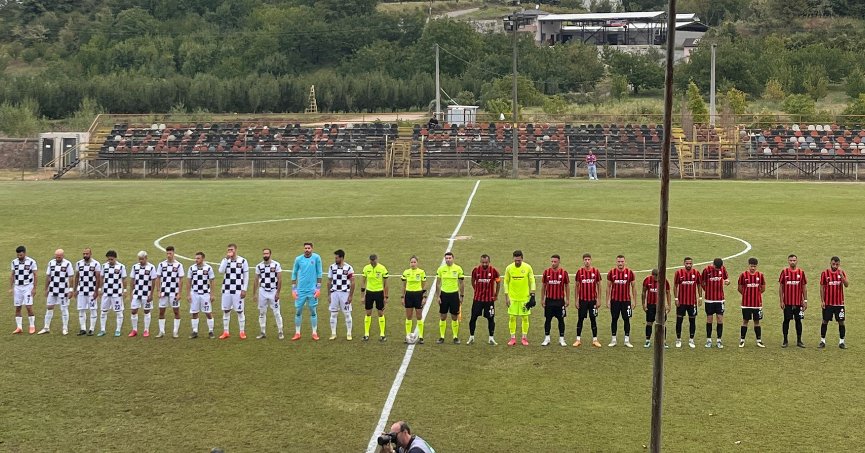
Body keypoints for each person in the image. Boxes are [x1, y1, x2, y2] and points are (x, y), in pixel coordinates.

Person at [291, 242, 323, 341]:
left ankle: (314, 333)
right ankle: (297, 333)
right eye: (305, 248)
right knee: (298, 311)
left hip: (312, 290)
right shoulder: (298, 259)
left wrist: (318, 288)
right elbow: (294, 273)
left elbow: (319, 273)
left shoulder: (317, 258)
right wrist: (293, 289)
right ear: (303, 249)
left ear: (312, 249)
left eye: (309, 248)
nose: (307, 250)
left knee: (313, 311)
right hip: (300, 290)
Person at [503, 250, 535, 346]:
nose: (517, 262)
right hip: (512, 298)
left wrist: (532, 295)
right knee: (512, 318)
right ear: (513, 259)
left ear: (522, 259)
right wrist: (506, 296)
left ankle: (524, 338)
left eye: (519, 260)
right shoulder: (509, 268)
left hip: (524, 298)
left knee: (525, 318)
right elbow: (506, 282)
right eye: (516, 260)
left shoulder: (527, 267)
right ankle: (512, 338)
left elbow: (532, 280)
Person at [39, 249, 73, 335]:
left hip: (63, 290)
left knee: (64, 309)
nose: (57, 258)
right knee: (49, 307)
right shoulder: (51, 263)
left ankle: (65, 328)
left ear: (63, 256)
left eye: (59, 257)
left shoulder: (67, 264)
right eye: (56, 256)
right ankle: (46, 327)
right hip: (52, 290)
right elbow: (48, 276)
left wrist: (71, 290)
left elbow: (71, 277)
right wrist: (46, 289)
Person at [218, 243, 249, 340]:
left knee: (239, 311)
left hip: (238, 290)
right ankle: (226, 331)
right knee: (226, 310)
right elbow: (221, 271)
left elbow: (246, 276)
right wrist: (226, 259)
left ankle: (242, 332)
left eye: (231, 249)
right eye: (228, 250)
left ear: (236, 249)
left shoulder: (243, 261)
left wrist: (244, 289)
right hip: (226, 290)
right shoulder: (225, 260)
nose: (230, 251)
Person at [469, 254, 500, 346]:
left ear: (489, 262)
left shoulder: (494, 271)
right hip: (477, 299)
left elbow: (498, 283)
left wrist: (496, 294)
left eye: (486, 262)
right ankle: (471, 337)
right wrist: (476, 289)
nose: (484, 264)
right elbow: (472, 280)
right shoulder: (476, 270)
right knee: (473, 318)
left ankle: (491, 338)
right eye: (483, 262)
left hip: (489, 300)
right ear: (480, 261)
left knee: (491, 318)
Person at [435, 252, 465, 344]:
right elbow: (437, 283)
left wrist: (461, 295)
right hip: (444, 295)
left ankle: (455, 337)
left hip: (454, 295)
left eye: (449, 258)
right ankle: (442, 337)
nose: (448, 260)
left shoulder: (458, 269)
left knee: (454, 317)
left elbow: (461, 283)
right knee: (443, 316)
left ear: (453, 258)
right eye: (446, 258)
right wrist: (438, 296)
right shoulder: (441, 269)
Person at [154, 246, 184, 339]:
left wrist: (179, 293)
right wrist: (158, 290)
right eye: (167, 253)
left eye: (170, 253)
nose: (168, 255)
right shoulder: (161, 265)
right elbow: (158, 278)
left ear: (173, 253)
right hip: (164, 292)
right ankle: (161, 331)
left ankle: (175, 331)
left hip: (174, 292)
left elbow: (181, 280)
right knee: (161, 312)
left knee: (176, 311)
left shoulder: (178, 265)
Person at [607, 255, 636, 348]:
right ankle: (613, 339)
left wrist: (634, 300)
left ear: (625, 262)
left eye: (622, 261)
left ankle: (626, 340)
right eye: (619, 261)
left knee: (626, 320)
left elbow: (633, 287)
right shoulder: (611, 272)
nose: (620, 263)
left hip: (626, 301)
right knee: (614, 319)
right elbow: (608, 287)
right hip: (615, 301)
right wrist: (608, 300)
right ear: (616, 262)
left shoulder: (630, 273)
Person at [819, 256, 849, 349]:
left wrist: (842, 276)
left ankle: (841, 342)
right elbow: (822, 287)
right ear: (830, 263)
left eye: (837, 264)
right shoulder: (825, 273)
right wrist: (822, 300)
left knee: (841, 322)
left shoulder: (841, 273)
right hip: (828, 303)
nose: (835, 266)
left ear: (839, 264)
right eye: (833, 264)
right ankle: (822, 341)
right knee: (825, 321)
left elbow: (846, 285)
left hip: (839, 303)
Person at [254, 248, 284, 340]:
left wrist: (278, 293)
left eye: (267, 253)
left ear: (270, 254)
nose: (265, 255)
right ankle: (262, 332)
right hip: (262, 291)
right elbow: (256, 280)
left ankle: (280, 331)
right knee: (262, 313)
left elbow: (279, 280)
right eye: (264, 253)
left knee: (276, 312)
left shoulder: (276, 265)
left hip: (273, 291)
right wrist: (254, 293)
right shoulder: (259, 266)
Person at [673, 257, 702, 348]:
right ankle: (678, 339)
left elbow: (699, 285)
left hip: (692, 302)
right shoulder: (679, 273)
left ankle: (691, 340)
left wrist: (700, 297)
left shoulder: (696, 273)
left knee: (692, 321)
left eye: (690, 263)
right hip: (681, 302)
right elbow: (675, 285)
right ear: (684, 263)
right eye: (687, 263)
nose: (689, 265)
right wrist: (676, 298)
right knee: (679, 320)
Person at [574, 253, 602, 348]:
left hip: (593, 301)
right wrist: (576, 300)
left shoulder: (596, 271)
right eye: (585, 259)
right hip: (582, 300)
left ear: (591, 260)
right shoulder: (579, 272)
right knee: (580, 319)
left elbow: (599, 285)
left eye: (588, 259)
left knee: (593, 319)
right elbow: (577, 286)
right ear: (583, 260)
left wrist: (598, 299)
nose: (587, 261)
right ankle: (578, 339)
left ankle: (595, 339)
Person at [779, 254, 807, 348]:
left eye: (794, 260)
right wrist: (781, 301)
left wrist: (805, 300)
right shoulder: (784, 272)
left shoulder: (801, 272)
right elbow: (781, 287)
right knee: (786, 320)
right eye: (791, 260)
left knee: (798, 321)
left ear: (797, 261)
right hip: (787, 302)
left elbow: (804, 287)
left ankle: (799, 340)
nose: (792, 262)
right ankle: (785, 340)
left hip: (798, 302)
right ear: (788, 261)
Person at [541, 254, 569, 347]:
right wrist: (542, 299)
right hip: (549, 301)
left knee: (561, 320)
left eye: (555, 262)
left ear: (559, 262)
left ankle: (561, 339)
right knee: (548, 320)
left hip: (560, 301)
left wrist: (567, 299)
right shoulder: (546, 272)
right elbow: (543, 286)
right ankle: (547, 338)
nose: (553, 263)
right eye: (552, 261)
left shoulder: (564, 272)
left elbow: (567, 286)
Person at [738, 257, 766, 348]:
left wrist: (756, 295)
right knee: (745, 321)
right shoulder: (743, 275)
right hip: (746, 304)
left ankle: (759, 340)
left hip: (757, 304)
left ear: (756, 266)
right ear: (748, 265)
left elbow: (763, 288)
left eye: (754, 266)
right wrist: (746, 295)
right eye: (751, 266)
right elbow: (740, 288)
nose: (753, 268)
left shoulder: (760, 275)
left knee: (757, 321)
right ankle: (742, 340)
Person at [327, 249, 355, 341]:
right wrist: (329, 294)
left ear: (342, 258)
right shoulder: (332, 267)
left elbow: (353, 282)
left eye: (337, 258)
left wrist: (350, 295)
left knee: (347, 314)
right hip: (334, 293)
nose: (335, 259)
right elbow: (329, 281)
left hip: (345, 293)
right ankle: (333, 333)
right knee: (333, 313)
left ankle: (349, 334)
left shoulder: (349, 268)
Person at [701, 257, 729, 348]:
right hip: (709, 299)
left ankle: (719, 340)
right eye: (716, 268)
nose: (718, 270)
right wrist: (707, 290)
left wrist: (727, 282)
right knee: (709, 319)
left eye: (719, 268)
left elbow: (726, 278)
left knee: (720, 319)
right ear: (713, 265)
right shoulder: (706, 270)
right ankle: (708, 340)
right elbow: (702, 282)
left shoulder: (723, 269)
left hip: (720, 299)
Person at [98, 250, 127, 337]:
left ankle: (118, 330)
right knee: (103, 312)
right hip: (106, 293)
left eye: (111, 259)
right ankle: (102, 330)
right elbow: (101, 278)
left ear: (115, 258)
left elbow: (124, 279)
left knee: (118, 312)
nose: (110, 261)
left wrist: (125, 290)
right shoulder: (104, 266)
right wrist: (100, 289)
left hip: (117, 294)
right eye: (108, 259)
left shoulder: (121, 267)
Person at [128, 251, 157, 338]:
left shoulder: (151, 267)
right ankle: (134, 330)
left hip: (146, 294)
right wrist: (131, 293)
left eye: (142, 259)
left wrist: (151, 294)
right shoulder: (135, 267)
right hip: (136, 293)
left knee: (146, 311)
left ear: (146, 258)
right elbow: (132, 280)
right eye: (139, 259)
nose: (140, 261)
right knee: (133, 311)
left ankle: (146, 330)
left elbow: (153, 281)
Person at [73, 248, 101, 336]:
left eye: (87, 254)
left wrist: (96, 291)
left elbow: (98, 278)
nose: (85, 255)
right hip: (81, 291)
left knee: (93, 309)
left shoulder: (96, 264)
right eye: (84, 254)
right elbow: (77, 277)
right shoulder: (79, 263)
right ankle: (83, 329)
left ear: (90, 254)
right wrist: (75, 289)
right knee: (81, 310)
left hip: (91, 291)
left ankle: (91, 329)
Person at [187, 251, 215, 339]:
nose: (196, 260)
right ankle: (195, 331)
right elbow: (188, 281)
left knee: (208, 312)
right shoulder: (192, 268)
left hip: (205, 294)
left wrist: (212, 294)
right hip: (194, 294)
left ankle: (211, 331)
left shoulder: (208, 268)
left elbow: (212, 281)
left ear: (203, 258)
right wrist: (188, 294)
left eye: (198, 258)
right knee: (194, 313)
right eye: (195, 258)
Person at [361, 254, 389, 341]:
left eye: (374, 261)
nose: (373, 262)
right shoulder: (366, 268)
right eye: (371, 261)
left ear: (377, 259)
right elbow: (363, 282)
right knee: (368, 313)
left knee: (380, 313)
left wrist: (386, 296)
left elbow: (386, 284)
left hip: (379, 293)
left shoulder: (382, 268)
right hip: (369, 293)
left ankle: (382, 334)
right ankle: (366, 334)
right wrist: (362, 296)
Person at [10, 245, 38, 334]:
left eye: (21, 255)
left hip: (27, 287)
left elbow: (35, 275)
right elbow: (12, 274)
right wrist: (11, 287)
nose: (19, 257)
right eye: (18, 255)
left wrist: (34, 288)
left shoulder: (31, 262)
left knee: (28, 306)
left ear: (25, 253)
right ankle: (19, 327)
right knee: (18, 307)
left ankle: (32, 326)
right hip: (18, 287)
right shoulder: (14, 262)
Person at [642, 268, 671, 348]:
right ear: (652, 275)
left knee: (662, 324)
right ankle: (647, 341)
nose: (656, 278)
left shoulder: (664, 281)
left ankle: (663, 341)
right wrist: (643, 304)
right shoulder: (647, 280)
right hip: (650, 305)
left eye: (658, 276)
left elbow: (668, 293)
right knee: (649, 323)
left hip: (661, 306)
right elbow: (643, 292)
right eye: (655, 277)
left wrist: (668, 305)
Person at [401, 256, 427, 344]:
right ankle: (407, 335)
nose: (413, 264)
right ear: (409, 263)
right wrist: (402, 297)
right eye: (411, 262)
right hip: (408, 295)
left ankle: (421, 336)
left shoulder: (421, 272)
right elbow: (404, 286)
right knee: (409, 316)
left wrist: (424, 297)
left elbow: (424, 285)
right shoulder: (406, 272)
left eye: (414, 262)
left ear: (417, 263)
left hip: (418, 295)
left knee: (419, 316)